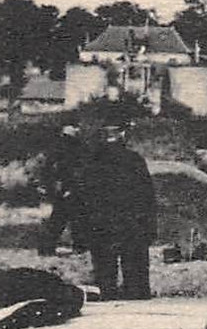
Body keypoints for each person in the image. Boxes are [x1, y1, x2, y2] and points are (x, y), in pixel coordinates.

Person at [77, 121, 156, 300]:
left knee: (104, 261)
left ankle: (106, 291)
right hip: (131, 219)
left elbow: (82, 195)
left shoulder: (91, 162)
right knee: (135, 260)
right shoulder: (134, 159)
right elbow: (146, 194)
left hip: (101, 220)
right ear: (123, 136)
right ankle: (136, 291)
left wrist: (84, 224)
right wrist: (148, 223)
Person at [34, 124, 85, 256]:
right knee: (65, 219)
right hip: (66, 189)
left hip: (69, 188)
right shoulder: (67, 150)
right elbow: (53, 170)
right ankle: (50, 248)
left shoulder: (68, 150)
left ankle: (49, 248)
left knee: (69, 219)